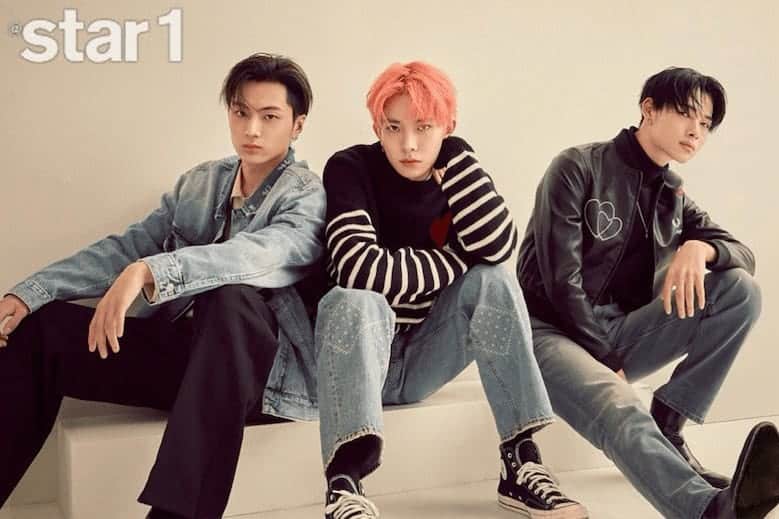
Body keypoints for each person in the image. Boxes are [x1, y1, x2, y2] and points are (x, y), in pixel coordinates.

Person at [0, 52, 326, 519]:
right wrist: (30, 292)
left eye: (269, 116)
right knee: (42, 329)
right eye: (241, 112)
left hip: (261, 381)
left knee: (231, 298)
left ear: (297, 125)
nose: (252, 129)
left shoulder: (307, 195)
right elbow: (128, 246)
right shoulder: (201, 183)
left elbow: (259, 256)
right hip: (187, 360)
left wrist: (151, 272)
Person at [316, 61, 588, 519]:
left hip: (425, 357)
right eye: (394, 127)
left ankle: (520, 461)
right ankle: (344, 486)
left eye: (424, 127)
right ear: (377, 128)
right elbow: (359, 270)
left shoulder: (456, 166)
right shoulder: (350, 168)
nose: (409, 144)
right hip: (358, 360)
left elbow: (497, 247)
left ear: (448, 126)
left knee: (493, 279)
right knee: (354, 298)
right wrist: (457, 258)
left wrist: (459, 160)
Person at [516, 66, 778, 518]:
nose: (696, 132)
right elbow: (560, 283)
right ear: (649, 109)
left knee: (740, 290)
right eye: (687, 114)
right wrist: (608, 360)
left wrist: (701, 247)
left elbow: (744, 255)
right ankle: (707, 511)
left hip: (620, 330)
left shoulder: (673, 196)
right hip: (546, 331)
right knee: (617, 402)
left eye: (706, 124)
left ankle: (669, 424)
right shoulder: (577, 167)